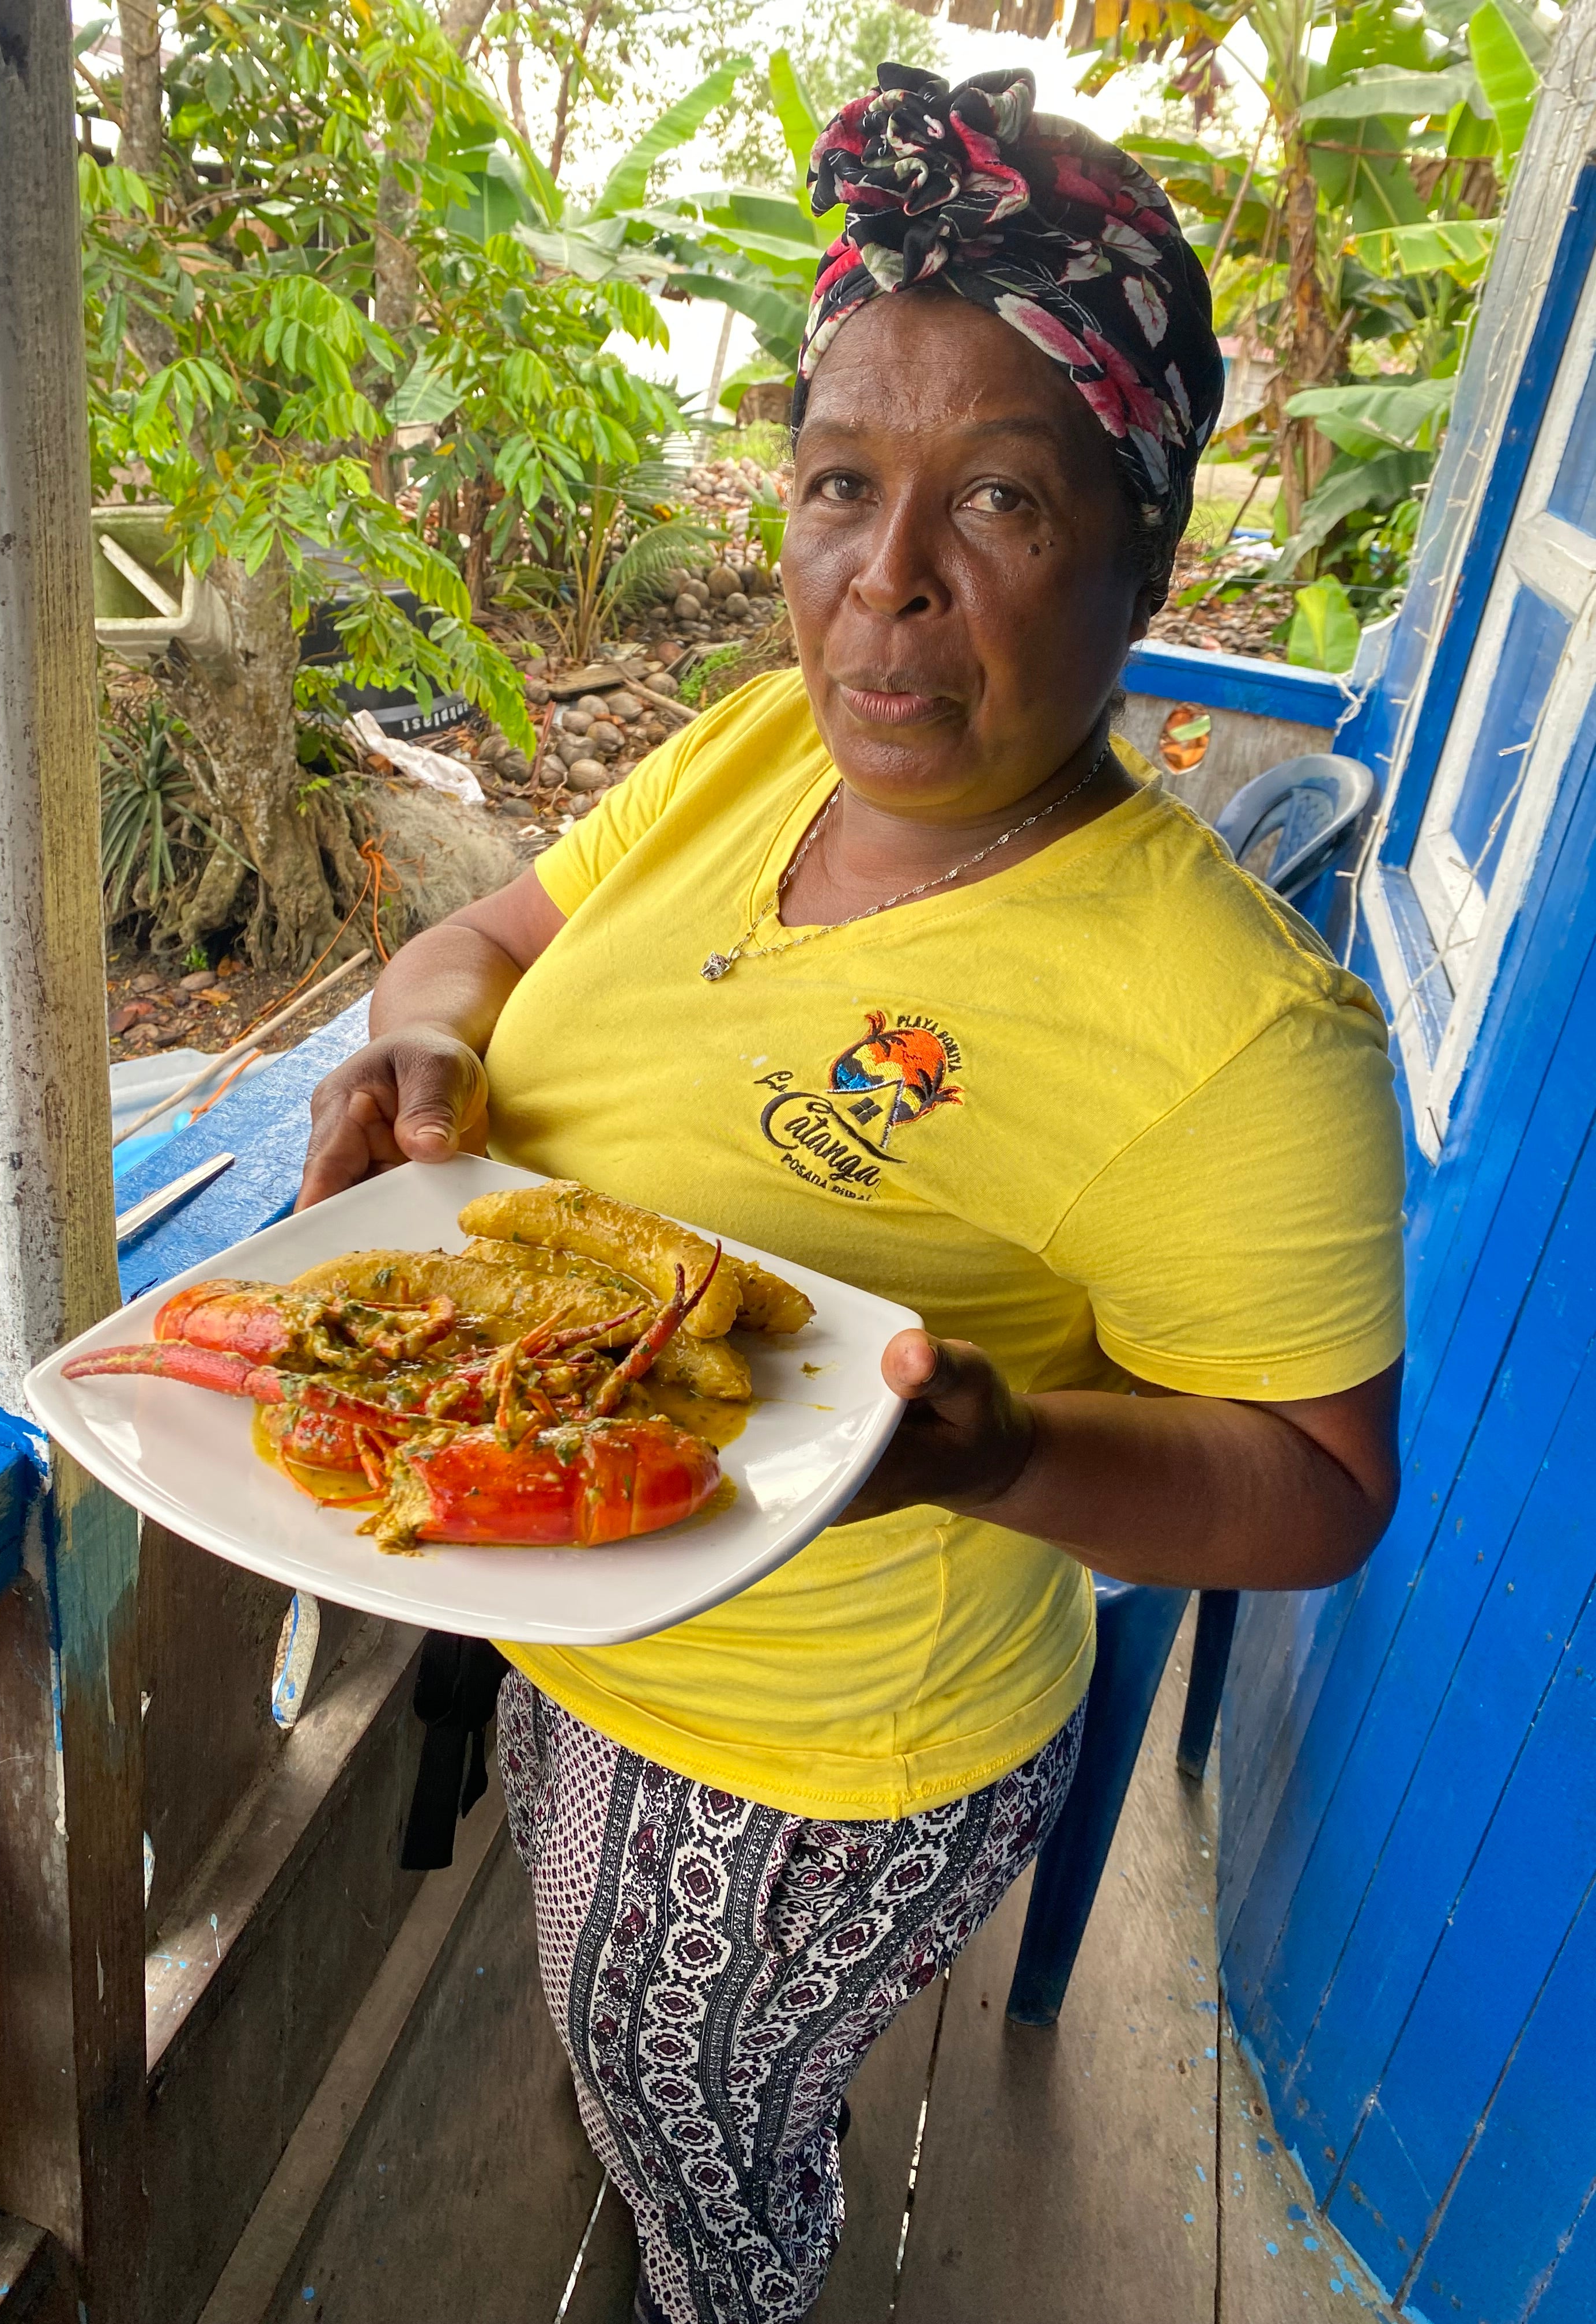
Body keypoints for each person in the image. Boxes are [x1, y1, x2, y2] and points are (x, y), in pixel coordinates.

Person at [297, 64, 1404, 2324]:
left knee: (693, 2120)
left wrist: (1001, 1452)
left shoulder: (1233, 1028)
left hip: (809, 1758)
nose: (883, 588)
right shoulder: (764, 738)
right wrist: (416, 1046)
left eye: (998, 500)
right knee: (632, 2053)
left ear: (1140, 546)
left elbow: (1312, 1492)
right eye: (837, 486)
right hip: (588, 1620)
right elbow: (492, 938)